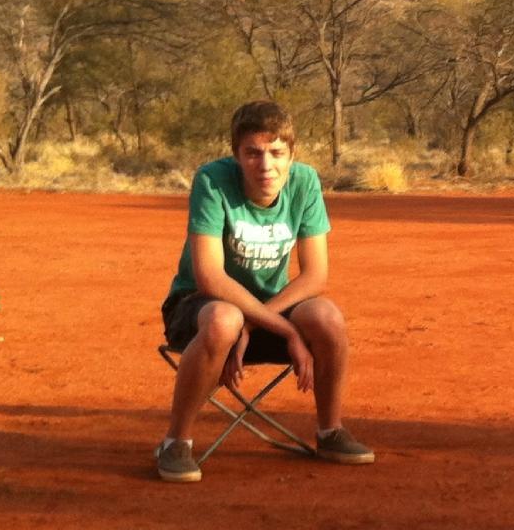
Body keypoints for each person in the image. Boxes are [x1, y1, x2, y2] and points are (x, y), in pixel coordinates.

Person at [154, 99, 371, 481]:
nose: (265, 165)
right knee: (225, 318)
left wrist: (254, 326)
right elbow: (210, 277)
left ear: (292, 154)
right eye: (252, 153)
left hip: (262, 315)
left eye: (276, 153)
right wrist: (285, 330)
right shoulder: (212, 181)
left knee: (326, 316)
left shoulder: (304, 182)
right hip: (199, 311)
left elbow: (315, 276)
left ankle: (330, 432)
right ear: (236, 155)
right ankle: (176, 443)